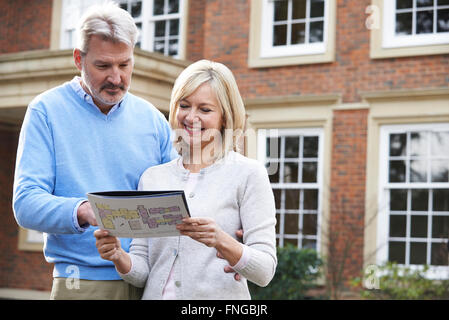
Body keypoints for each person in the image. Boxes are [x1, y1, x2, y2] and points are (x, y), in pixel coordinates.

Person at [12, 2, 176, 300]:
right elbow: (25, 203)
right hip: (82, 280)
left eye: (124, 65)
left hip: (152, 280)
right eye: (103, 66)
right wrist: (84, 211)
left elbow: (180, 193)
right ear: (79, 59)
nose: (116, 78)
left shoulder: (153, 119)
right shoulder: (46, 111)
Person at [95, 59, 277, 299]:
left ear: (225, 116)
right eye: (184, 105)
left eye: (205, 109)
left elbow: (264, 271)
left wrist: (221, 240)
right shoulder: (152, 178)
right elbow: (142, 272)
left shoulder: (248, 174)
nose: (191, 117)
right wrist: (118, 256)